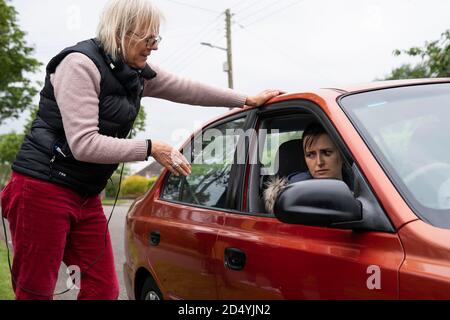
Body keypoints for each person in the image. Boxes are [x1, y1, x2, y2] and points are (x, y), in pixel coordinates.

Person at [0, 0, 281, 300]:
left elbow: (187, 89)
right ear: (122, 32)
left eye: (156, 39)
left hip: (84, 193)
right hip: (43, 188)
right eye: (149, 39)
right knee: (36, 290)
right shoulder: (79, 65)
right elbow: (83, 144)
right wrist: (149, 148)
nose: (154, 47)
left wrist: (246, 100)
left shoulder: (135, 72)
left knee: (104, 289)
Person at [264, 122, 344, 213]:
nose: (319, 162)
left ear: (342, 155)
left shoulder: (361, 178)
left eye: (327, 153)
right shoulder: (295, 194)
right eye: (310, 155)